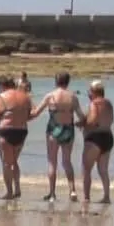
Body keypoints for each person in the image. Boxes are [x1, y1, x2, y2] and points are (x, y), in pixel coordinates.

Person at [33, 72, 83, 201]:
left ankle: (52, 194)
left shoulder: (50, 96)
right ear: (68, 82)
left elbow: (36, 113)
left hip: (53, 130)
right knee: (67, 161)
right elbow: (81, 116)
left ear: (56, 81)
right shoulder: (72, 97)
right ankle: (72, 191)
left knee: (52, 162)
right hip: (68, 129)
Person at [0, 76, 32, 201]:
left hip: (6, 131)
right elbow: (29, 114)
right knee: (14, 161)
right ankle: (18, 189)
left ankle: (9, 192)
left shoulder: (1, 98)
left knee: (6, 163)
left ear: (2, 86)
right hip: (22, 131)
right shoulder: (25, 97)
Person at [80, 80, 114, 204]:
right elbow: (110, 120)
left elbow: (93, 120)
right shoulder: (109, 103)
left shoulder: (94, 103)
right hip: (108, 137)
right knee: (103, 170)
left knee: (86, 168)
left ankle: (86, 197)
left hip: (95, 138)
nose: (88, 93)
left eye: (89, 91)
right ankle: (106, 197)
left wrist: (83, 124)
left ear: (94, 92)